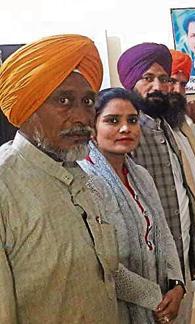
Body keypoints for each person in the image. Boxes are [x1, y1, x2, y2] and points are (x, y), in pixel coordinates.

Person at [0, 34, 117, 323]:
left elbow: (102, 270)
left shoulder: (85, 178)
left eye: (88, 101)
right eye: (64, 100)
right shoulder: (5, 187)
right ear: (28, 109)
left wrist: (159, 294)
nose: (82, 117)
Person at [118, 42, 195, 323]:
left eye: (163, 79)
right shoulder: (127, 132)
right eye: (147, 78)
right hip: (147, 268)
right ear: (131, 82)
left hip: (180, 254)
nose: (158, 86)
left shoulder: (165, 124)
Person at [78, 88, 185, 323]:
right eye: (112, 121)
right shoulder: (83, 181)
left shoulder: (141, 176)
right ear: (92, 129)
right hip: (112, 310)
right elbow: (103, 263)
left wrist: (177, 284)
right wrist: (155, 297)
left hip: (156, 305)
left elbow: (163, 235)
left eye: (132, 120)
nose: (125, 128)